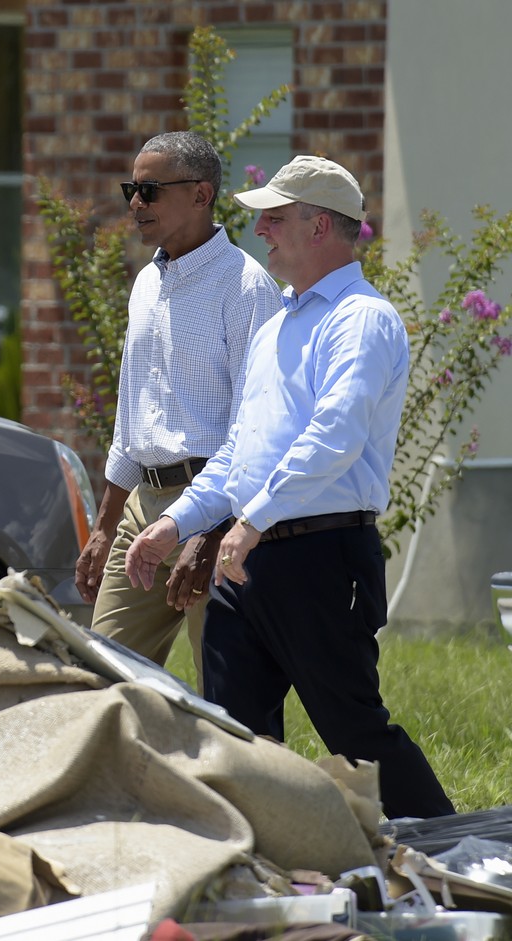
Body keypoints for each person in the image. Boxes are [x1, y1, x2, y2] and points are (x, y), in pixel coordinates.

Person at [124, 155, 455, 821]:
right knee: (234, 736)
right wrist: (178, 522)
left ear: (322, 227)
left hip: (322, 556)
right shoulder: (277, 326)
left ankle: (462, 857)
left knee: (355, 733)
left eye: (275, 216)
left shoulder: (363, 319)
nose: (262, 229)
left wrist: (252, 522)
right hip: (248, 562)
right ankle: (264, 878)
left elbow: (335, 436)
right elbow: (240, 453)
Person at [75, 131, 281, 683]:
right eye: (131, 190)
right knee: (103, 679)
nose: (135, 204)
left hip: (212, 510)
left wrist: (212, 531)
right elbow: (130, 414)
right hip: (141, 508)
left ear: (201, 194)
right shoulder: (145, 283)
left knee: (227, 693)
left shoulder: (246, 287)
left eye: (150, 191)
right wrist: (104, 525)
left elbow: (256, 427)